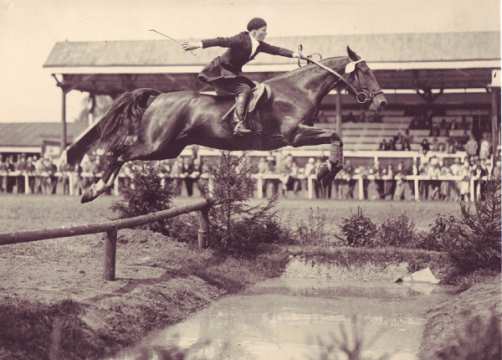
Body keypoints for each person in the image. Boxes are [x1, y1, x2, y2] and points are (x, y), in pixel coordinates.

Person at [182, 17, 302, 135]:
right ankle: (237, 122)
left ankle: (248, 119)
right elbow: (221, 41)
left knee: (254, 88)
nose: (266, 33)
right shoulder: (241, 39)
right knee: (244, 89)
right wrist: (198, 44)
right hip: (219, 72)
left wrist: (295, 54)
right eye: (263, 30)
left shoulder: (259, 45)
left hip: (231, 74)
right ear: (254, 32)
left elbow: (276, 50)